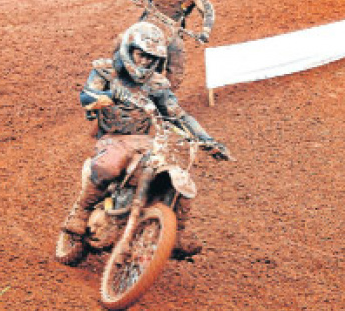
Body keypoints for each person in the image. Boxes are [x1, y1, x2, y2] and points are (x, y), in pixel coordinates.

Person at [63, 21, 229, 258]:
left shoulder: (157, 85)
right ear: (129, 50)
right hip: (112, 138)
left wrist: (208, 140)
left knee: (177, 174)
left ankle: (177, 233)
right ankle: (81, 212)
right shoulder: (106, 72)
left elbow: (178, 114)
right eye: (141, 55)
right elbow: (87, 96)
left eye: (151, 58)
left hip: (144, 142)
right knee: (110, 165)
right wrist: (109, 95)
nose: (144, 62)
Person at [124, 0, 215, 89]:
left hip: (172, 30)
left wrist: (205, 31)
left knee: (177, 67)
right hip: (149, 24)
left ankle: (165, 97)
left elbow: (208, 10)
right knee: (135, 55)